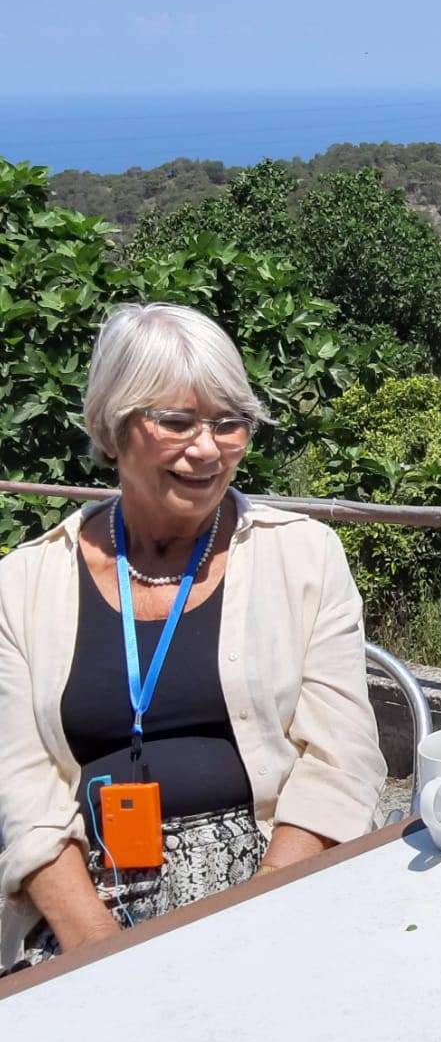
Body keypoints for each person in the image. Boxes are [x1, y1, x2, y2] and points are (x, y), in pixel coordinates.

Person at [0, 303, 386, 972]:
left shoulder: (304, 555)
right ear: (112, 428)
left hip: (272, 874)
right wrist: (98, 951)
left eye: (229, 423)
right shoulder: (23, 584)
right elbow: (21, 788)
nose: (207, 450)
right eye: (176, 422)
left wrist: (260, 914)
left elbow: (342, 759)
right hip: (85, 896)